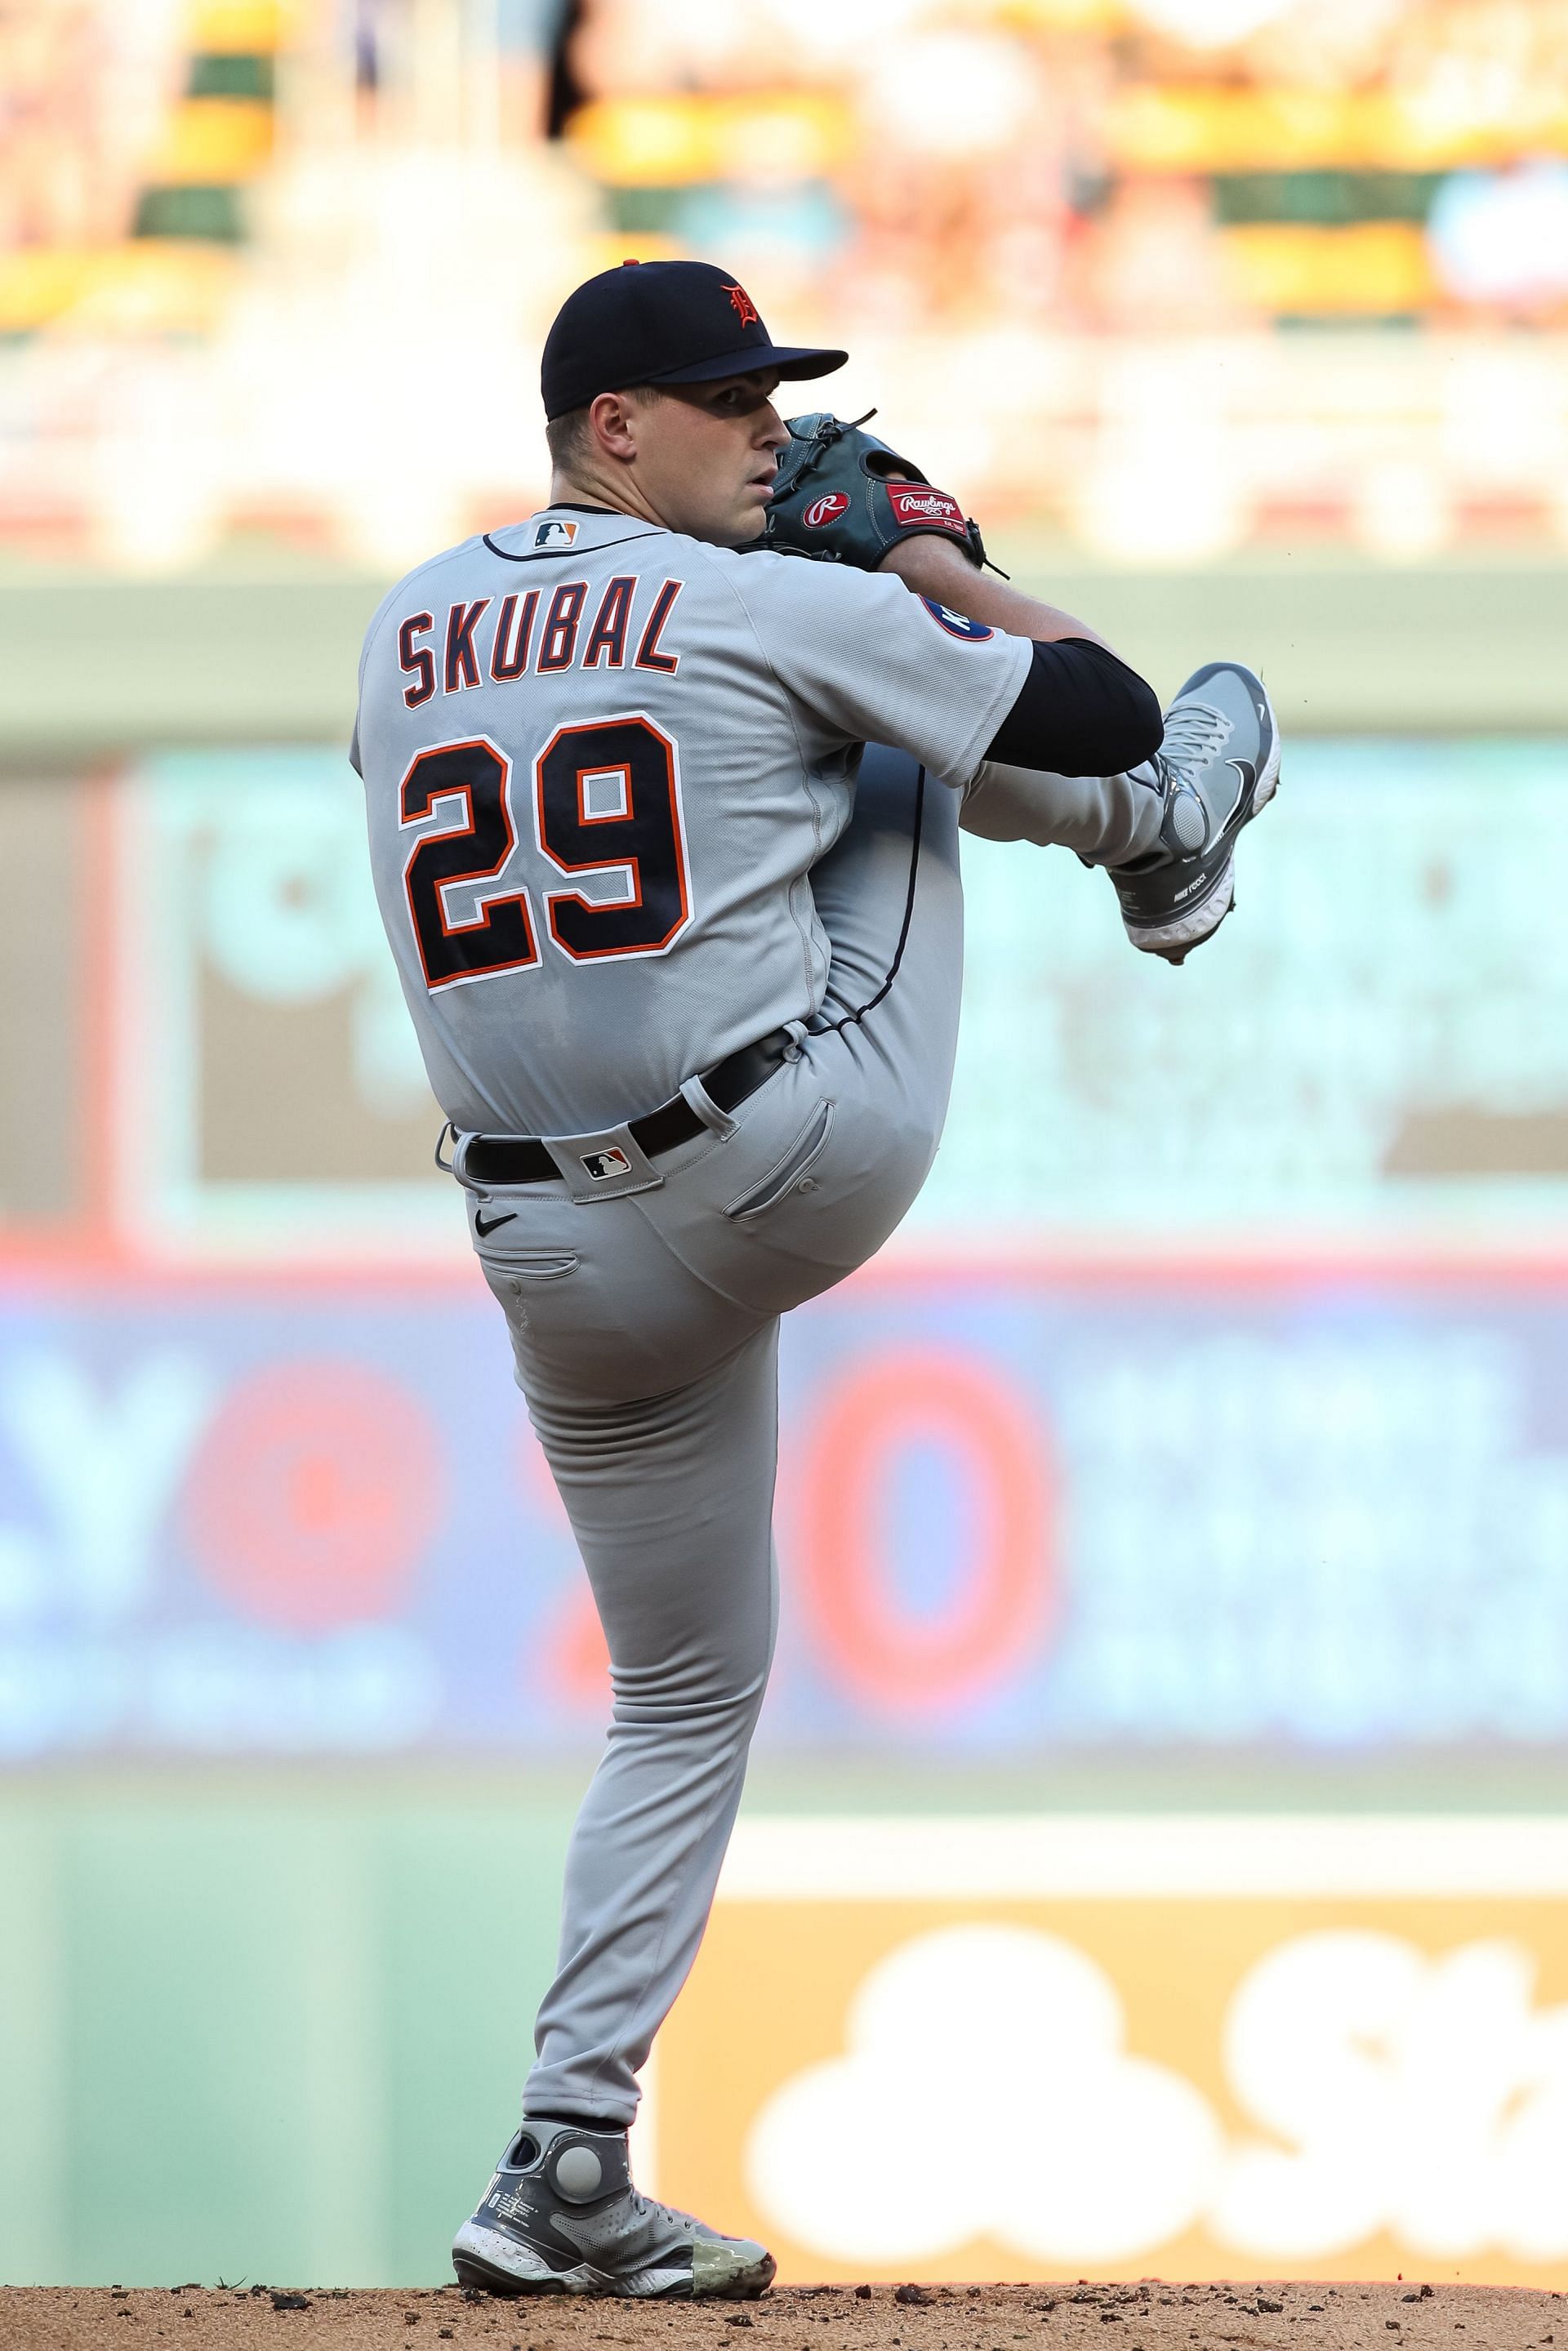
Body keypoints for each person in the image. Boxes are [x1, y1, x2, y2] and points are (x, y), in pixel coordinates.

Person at [351, 258, 1278, 2301]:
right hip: (795, 1151)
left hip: (544, 1251)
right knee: (916, 735)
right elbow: (1100, 688)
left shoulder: (404, 620)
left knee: (683, 1690)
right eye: (722, 396)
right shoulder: (765, 594)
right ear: (614, 429)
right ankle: (1173, 845)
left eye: (773, 392)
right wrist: (941, 566)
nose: (770, 427)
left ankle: (565, 2165)